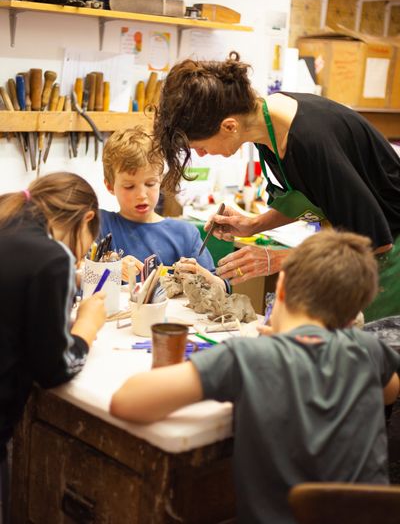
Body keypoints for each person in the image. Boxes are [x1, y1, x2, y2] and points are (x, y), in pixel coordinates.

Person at [110, 230, 400, 524]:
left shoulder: (248, 356)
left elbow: (126, 402)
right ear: (354, 316)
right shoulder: (368, 350)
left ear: (282, 287)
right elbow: (389, 392)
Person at [152, 53, 400, 322]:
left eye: (200, 146)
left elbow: (372, 242)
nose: (201, 154)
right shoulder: (266, 124)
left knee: (370, 354)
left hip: (389, 260)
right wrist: (255, 225)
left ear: (229, 126)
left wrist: (276, 258)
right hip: (368, 245)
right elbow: (314, 196)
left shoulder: (309, 141)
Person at [0, 172, 106, 524]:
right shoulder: (52, 257)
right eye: (86, 248)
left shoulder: (6, 217)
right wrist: (87, 326)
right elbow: (54, 368)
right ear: (87, 218)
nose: (80, 259)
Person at [100, 127, 229, 292]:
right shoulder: (100, 226)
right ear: (110, 186)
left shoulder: (184, 234)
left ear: (160, 179)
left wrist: (202, 275)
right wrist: (110, 269)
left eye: (150, 184)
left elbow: (223, 289)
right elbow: (77, 279)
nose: (141, 195)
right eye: (129, 186)